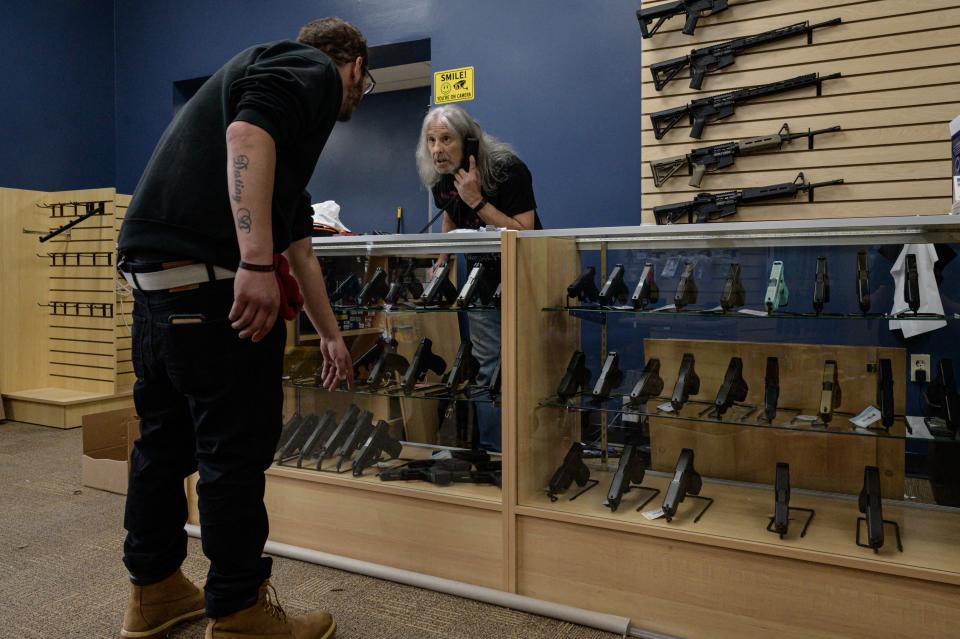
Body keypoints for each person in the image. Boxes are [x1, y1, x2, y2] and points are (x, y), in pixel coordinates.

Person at [115, 17, 369, 639]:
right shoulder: (308, 68)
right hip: (213, 285)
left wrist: (330, 335)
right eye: (364, 82)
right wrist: (254, 263)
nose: (359, 95)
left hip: (155, 283)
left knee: (162, 445)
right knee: (233, 452)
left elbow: (301, 249)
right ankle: (239, 611)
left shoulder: (285, 139)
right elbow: (246, 133)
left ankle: (153, 591)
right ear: (356, 67)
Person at [415, 105, 541, 452]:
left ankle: (531, 453)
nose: (437, 150)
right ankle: (495, 451)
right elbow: (451, 219)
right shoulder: (442, 179)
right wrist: (440, 263)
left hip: (527, 280)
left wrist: (477, 199)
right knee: (489, 369)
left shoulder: (507, 169)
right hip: (482, 286)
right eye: (431, 141)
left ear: (469, 142)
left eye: (446, 140)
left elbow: (523, 232)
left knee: (530, 365)